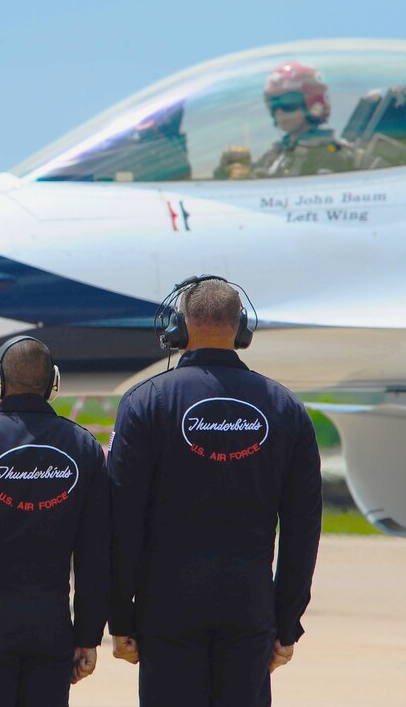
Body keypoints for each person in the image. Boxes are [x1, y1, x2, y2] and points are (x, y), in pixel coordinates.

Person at [108, 276, 322, 706]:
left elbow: (121, 519)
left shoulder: (145, 402)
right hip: (249, 609)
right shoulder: (285, 407)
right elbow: (303, 528)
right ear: (241, 328)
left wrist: (121, 617)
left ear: (179, 327)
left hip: (166, 609)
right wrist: (286, 622)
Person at [0, 335, 110, 707]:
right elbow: (95, 552)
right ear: (53, 384)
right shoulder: (85, 447)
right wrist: (88, 635)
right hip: (52, 631)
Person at [251, 60, 357, 177]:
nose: (279, 112)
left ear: (312, 103)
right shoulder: (276, 153)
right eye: (274, 105)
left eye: (288, 102)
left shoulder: (332, 151)